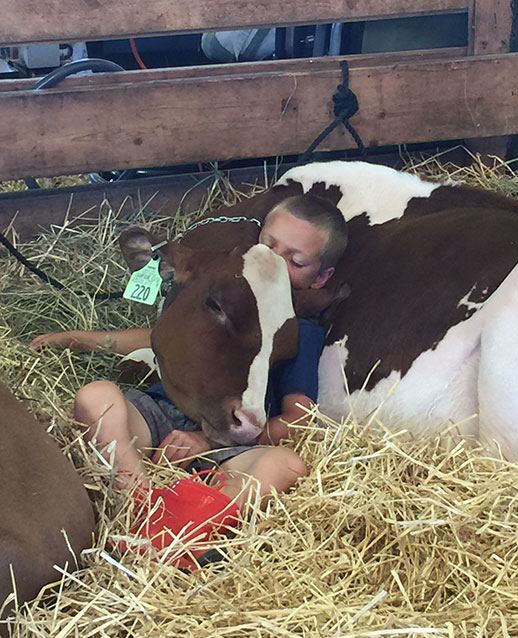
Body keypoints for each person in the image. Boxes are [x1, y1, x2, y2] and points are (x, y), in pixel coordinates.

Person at [31, 194, 348, 567]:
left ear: (320, 277)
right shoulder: (223, 291)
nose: (274, 264)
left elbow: (300, 419)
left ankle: (193, 525)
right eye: (267, 247)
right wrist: (80, 339)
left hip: (232, 438)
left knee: (288, 465)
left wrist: (207, 440)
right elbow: (159, 335)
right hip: (160, 413)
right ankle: (142, 506)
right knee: (95, 397)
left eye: (294, 261)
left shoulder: (298, 329)